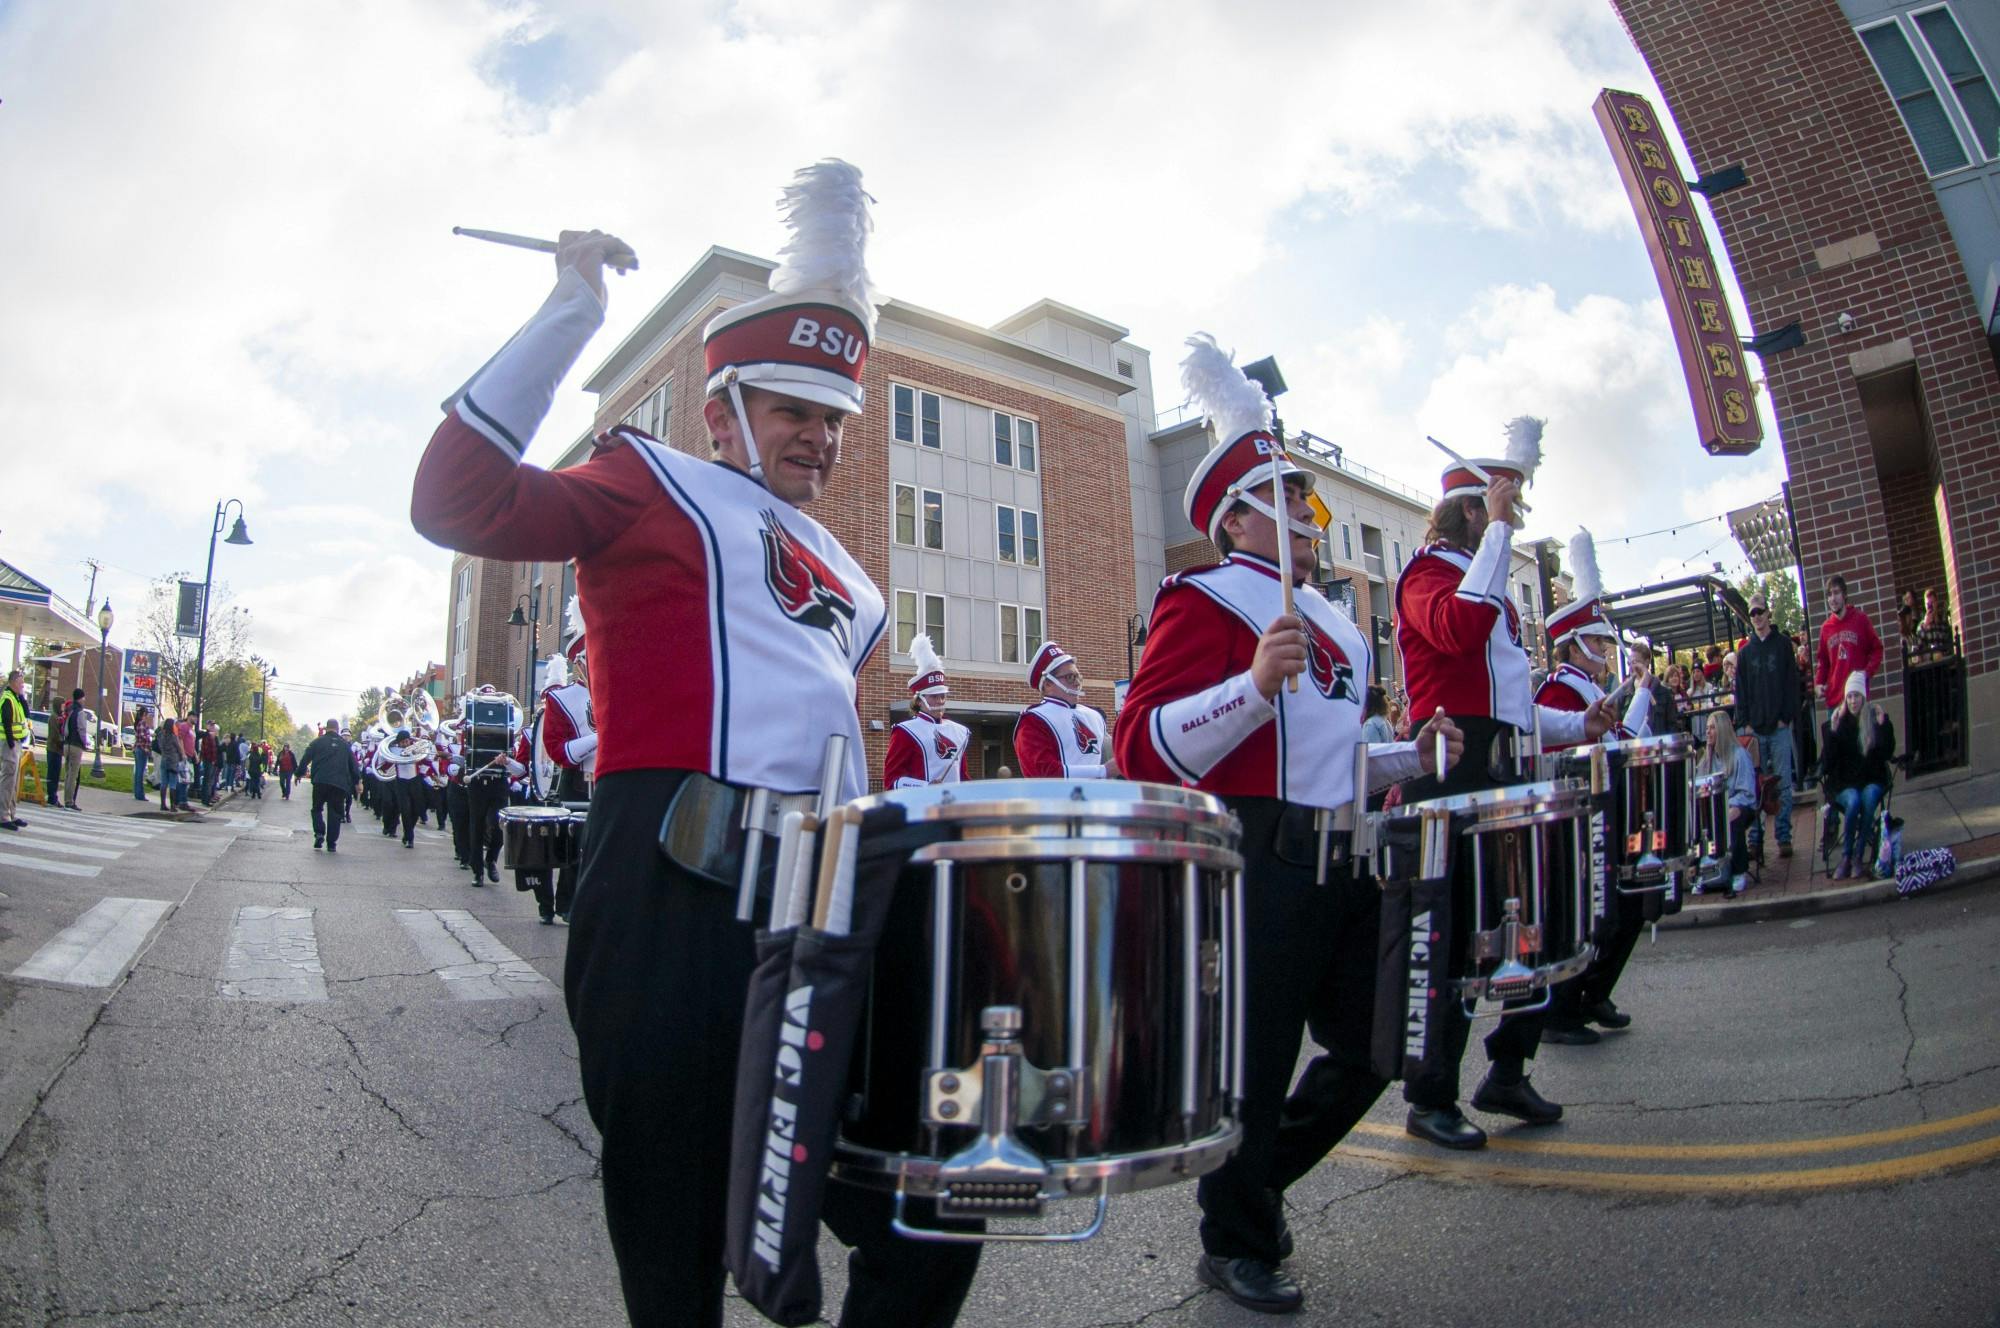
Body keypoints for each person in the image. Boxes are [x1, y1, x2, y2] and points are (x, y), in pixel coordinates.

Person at [409, 162, 977, 1328]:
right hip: (673, 891)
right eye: (791, 411)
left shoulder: (858, 579)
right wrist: (571, 308)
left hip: (822, 908)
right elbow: (455, 498)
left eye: (832, 418)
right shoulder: (642, 477)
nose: (818, 438)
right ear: (723, 411)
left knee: (925, 1201)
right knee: (671, 1240)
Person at [1116, 335, 1458, 1314]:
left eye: (1309, 506)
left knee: (1374, 1039)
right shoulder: (1203, 597)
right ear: (1237, 515)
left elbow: (1346, 753)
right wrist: (1252, 684)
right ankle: (1233, 1238)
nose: (1310, 522)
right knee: (1254, 1067)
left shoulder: (1339, 619)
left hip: (1343, 848)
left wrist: (1409, 751)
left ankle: (1256, 1182)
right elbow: (1141, 745)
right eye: (1292, 503)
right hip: (1256, 855)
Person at [1394, 416, 1613, 1151]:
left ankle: (1508, 1068)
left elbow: (1509, 698)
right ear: (1470, 511)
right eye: (1500, 510)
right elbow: (1456, 633)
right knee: (1451, 938)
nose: (1511, 522)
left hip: (1506, 757)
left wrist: (1574, 730)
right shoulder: (1426, 575)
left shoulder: (1491, 583)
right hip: (1450, 766)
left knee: (1528, 924)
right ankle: (1429, 1095)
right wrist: (1494, 534)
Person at [1534, 529, 1640, 1044]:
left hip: (1607, 811)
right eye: (1597, 641)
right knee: (1585, 913)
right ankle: (1561, 1011)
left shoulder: (1595, 691)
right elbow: (1563, 759)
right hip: (1575, 822)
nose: (1604, 649)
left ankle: (1593, 992)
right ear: (1575, 645)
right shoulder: (1558, 691)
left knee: (1628, 907)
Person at [1733, 592, 1800, 859]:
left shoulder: (1783, 645)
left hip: (1779, 727)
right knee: (1755, 785)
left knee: (1783, 783)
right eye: (1753, 613)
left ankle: (1783, 835)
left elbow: (1792, 683)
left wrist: (1787, 716)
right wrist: (1745, 723)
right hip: (1755, 730)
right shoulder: (1745, 653)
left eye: (1760, 612)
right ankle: (1755, 839)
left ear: (1768, 613)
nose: (1757, 617)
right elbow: (1741, 691)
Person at [1822, 672, 1896, 879]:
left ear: (1864, 697)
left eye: (1857, 696)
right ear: (1845, 699)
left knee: (1870, 796)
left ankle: (1858, 855)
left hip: (1871, 778)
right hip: (1844, 782)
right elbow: (1827, 762)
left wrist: (1883, 726)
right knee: (1853, 801)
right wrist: (1833, 731)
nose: (1853, 701)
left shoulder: (1873, 719)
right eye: (1849, 696)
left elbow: (1886, 753)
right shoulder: (1839, 721)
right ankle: (1846, 857)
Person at [1013, 640, 1115, 778]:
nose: (1077, 682)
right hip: (1056, 799)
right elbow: (1042, 772)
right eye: (1070, 677)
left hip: (1095, 797)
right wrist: (1103, 771)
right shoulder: (1034, 719)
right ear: (1048, 684)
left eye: (1078, 676)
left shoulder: (1095, 716)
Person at [883, 633, 967, 788]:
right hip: (920, 807)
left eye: (942, 695)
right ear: (919, 700)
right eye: (934, 696)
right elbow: (891, 780)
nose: (940, 700)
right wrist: (925, 787)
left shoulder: (959, 732)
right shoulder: (905, 732)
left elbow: (964, 778)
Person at [1698, 711, 1755, 897]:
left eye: (1712, 728)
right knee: (1697, 822)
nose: (1708, 732)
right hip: (1714, 807)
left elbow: (1747, 793)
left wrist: (1727, 806)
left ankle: (1739, 872)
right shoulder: (1707, 758)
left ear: (1722, 729)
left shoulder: (1740, 755)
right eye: (1707, 728)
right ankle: (1703, 873)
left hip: (1739, 805)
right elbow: (1699, 786)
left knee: (1733, 819)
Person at [1814, 574, 1883, 713]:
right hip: (1835, 701)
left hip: (1857, 700)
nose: (1833, 599)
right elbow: (1823, 662)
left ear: (1844, 595)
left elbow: (1877, 649)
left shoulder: (1860, 619)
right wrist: (1818, 684)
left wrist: (1867, 673)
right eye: (1829, 595)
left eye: (1836, 593)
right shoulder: (1826, 628)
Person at [300, 719, 354, 852]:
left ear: (326, 728)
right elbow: (353, 764)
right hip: (338, 783)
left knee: (317, 809)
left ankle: (319, 833)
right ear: (337, 728)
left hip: (320, 780)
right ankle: (331, 843)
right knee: (335, 813)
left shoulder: (317, 742)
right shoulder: (344, 745)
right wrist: (357, 781)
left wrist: (298, 773)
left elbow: (306, 758)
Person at [0, 669, 29, 830]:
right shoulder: (7, 698)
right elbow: (6, 721)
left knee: (14, 781)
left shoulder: (16, 698)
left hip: (17, 744)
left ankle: (11, 813)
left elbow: (26, 713)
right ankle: (3, 815)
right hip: (9, 744)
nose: (22, 685)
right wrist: (11, 741)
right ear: (12, 682)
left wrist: (23, 696)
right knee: (8, 779)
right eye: (20, 682)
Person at [60, 687, 89, 808]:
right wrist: (84, 743)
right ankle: (69, 801)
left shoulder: (69, 710)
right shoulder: (80, 712)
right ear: (81, 698)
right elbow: (81, 729)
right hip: (76, 745)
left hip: (67, 744)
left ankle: (67, 798)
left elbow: (65, 728)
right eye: (83, 697)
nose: (84, 699)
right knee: (73, 775)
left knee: (68, 773)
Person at [1912, 587, 1956, 661]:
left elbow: (1949, 645)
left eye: (1932, 603)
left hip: (1944, 664)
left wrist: (1942, 654)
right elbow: (1917, 647)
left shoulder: (1943, 625)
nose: (1930, 607)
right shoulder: (1921, 626)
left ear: (1936, 603)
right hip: (1929, 666)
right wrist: (1925, 625)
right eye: (1927, 604)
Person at [156, 717, 186, 813]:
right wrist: (181, 757)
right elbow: (178, 748)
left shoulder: (161, 736)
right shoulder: (173, 737)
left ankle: (162, 804)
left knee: (164, 783)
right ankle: (172, 805)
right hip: (173, 761)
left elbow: (160, 747)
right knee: (173, 784)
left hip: (164, 759)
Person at [43, 693, 65, 807]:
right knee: (52, 774)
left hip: (58, 750)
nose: (63, 707)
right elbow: (54, 735)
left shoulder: (60, 717)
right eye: (62, 705)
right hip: (53, 749)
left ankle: (54, 796)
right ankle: (52, 797)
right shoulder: (53, 717)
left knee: (56, 774)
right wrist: (62, 742)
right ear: (57, 705)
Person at [131, 708, 153, 802]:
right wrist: (150, 738)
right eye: (147, 714)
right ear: (144, 714)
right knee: (140, 773)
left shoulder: (138, 723)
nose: (148, 716)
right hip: (142, 749)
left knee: (138, 773)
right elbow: (143, 737)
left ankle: (137, 793)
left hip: (139, 748)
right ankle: (140, 794)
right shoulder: (142, 723)